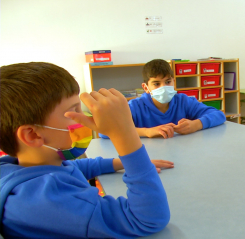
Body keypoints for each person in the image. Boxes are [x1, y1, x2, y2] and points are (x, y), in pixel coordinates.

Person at [0, 62, 170, 238]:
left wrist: (122, 163)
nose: (85, 117)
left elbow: (74, 168)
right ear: (32, 135)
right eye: (73, 111)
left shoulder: (22, 168)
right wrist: (125, 134)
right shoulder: (51, 201)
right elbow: (149, 219)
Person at [98, 59, 226, 139]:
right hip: (150, 159)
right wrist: (146, 132)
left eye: (168, 81)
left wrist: (196, 125)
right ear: (146, 87)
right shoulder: (135, 107)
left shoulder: (183, 101)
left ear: (174, 82)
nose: (164, 87)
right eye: (156, 84)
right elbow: (104, 132)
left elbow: (219, 115)